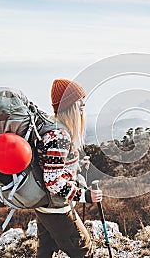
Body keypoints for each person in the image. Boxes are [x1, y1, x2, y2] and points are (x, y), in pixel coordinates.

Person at [35, 79, 102, 258]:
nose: (84, 105)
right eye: (80, 102)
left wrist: (77, 164)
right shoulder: (61, 136)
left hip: (44, 206)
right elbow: (52, 180)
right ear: (71, 106)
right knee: (83, 249)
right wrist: (84, 195)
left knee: (45, 250)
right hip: (57, 208)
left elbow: (51, 163)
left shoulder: (52, 126)